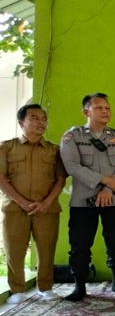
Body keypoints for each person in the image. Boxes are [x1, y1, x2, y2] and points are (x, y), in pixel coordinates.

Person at [61, 93, 115, 301]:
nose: (105, 111)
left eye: (107, 108)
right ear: (86, 112)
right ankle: (79, 286)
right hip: (83, 201)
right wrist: (104, 180)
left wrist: (108, 189)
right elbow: (72, 166)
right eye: (99, 108)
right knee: (80, 244)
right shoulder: (72, 136)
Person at [0, 104, 66, 303]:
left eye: (44, 118)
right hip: (14, 208)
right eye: (35, 118)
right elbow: (1, 178)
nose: (41, 122)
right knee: (14, 249)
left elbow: (60, 179)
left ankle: (45, 287)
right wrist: (22, 202)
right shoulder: (6, 147)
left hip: (47, 209)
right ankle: (17, 290)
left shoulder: (55, 150)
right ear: (21, 122)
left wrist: (46, 203)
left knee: (47, 249)